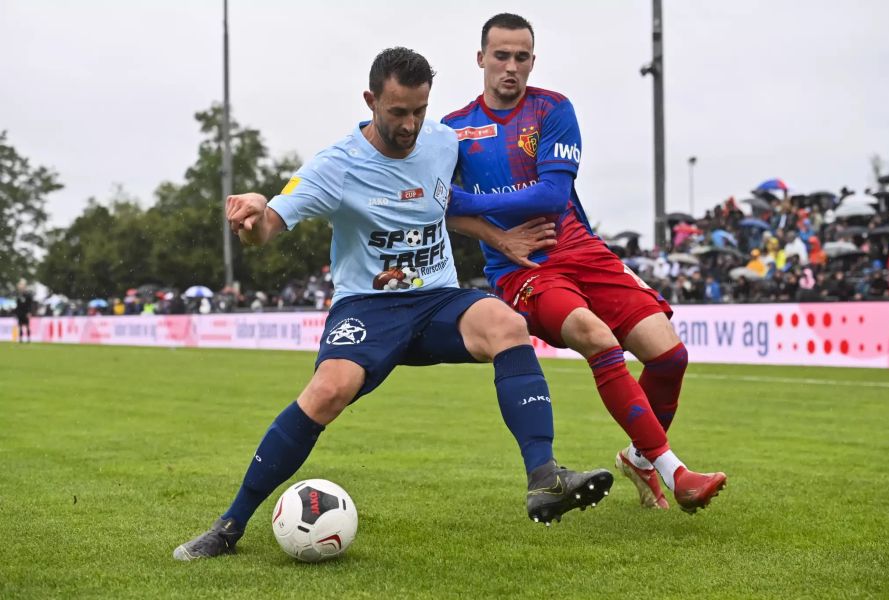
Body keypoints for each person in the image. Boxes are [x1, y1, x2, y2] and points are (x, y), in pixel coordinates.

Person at [173, 48, 613, 562]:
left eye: (419, 111)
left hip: (437, 298)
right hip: (368, 307)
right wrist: (251, 214)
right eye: (398, 112)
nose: (409, 125)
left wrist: (499, 238)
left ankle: (545, 477)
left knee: (505, 323)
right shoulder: (334, 166)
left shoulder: (443, 143)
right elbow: (266, 228)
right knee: (328, 391)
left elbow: (442, 207)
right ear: (371, 100)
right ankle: (230, 524)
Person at [442, 14, 726, 513]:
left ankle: (639, 459)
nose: (511, 67)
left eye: (521, 57)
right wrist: (499, 238)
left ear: (533, 60)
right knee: (597, 337)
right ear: (480, 58)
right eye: (501, 56)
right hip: (523, 270)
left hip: (581, 249)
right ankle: (675, 472)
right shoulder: (452, 131)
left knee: (670, 356)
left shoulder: (553, 109)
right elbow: (433, 205)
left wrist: (463, 200)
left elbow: (552, 195)